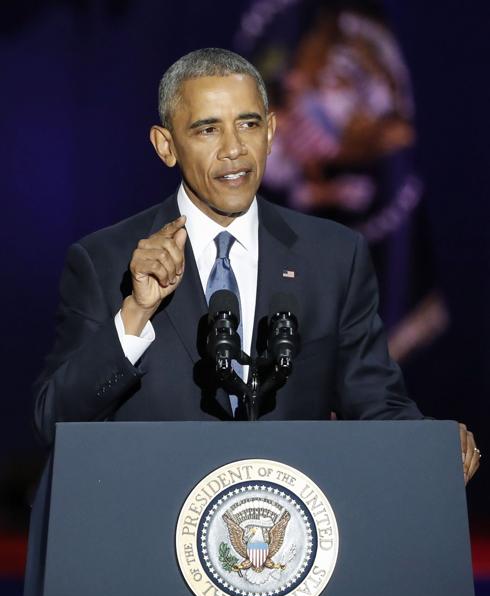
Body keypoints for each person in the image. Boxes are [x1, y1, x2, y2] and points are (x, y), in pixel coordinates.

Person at [33, 48, 480, 483]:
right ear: (166, 146)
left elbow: (375, 400)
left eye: (247, 124)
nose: (233, 149)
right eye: (207, 130)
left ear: (270, 131)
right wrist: (133, 315)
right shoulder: (105, 260)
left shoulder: (334, 256)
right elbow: (56, 419)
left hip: (291, 543)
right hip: (153, 536)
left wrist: (431, 443)